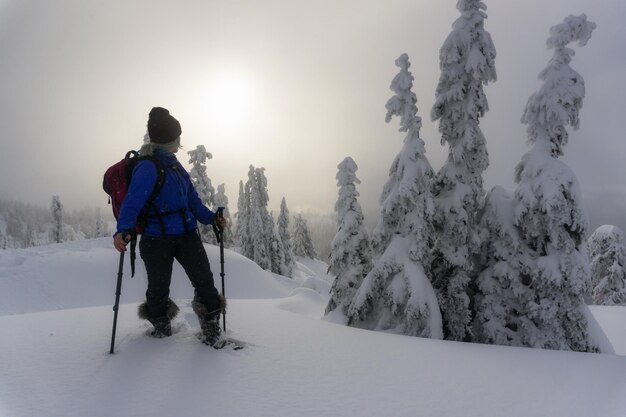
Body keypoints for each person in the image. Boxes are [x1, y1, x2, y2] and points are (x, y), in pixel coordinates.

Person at [113, 107, 226, 346]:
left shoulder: (175, 166)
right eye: (177, 139)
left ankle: (211, 329)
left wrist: (210, 218)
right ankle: (161, 332)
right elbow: (132, 203)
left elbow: (192, 200)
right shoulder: (147, 167)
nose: (180, 143)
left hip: (186, 235)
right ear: (168, 140)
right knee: (158, 289)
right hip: (156, 240)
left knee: (205, 281)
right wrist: (122, 230)